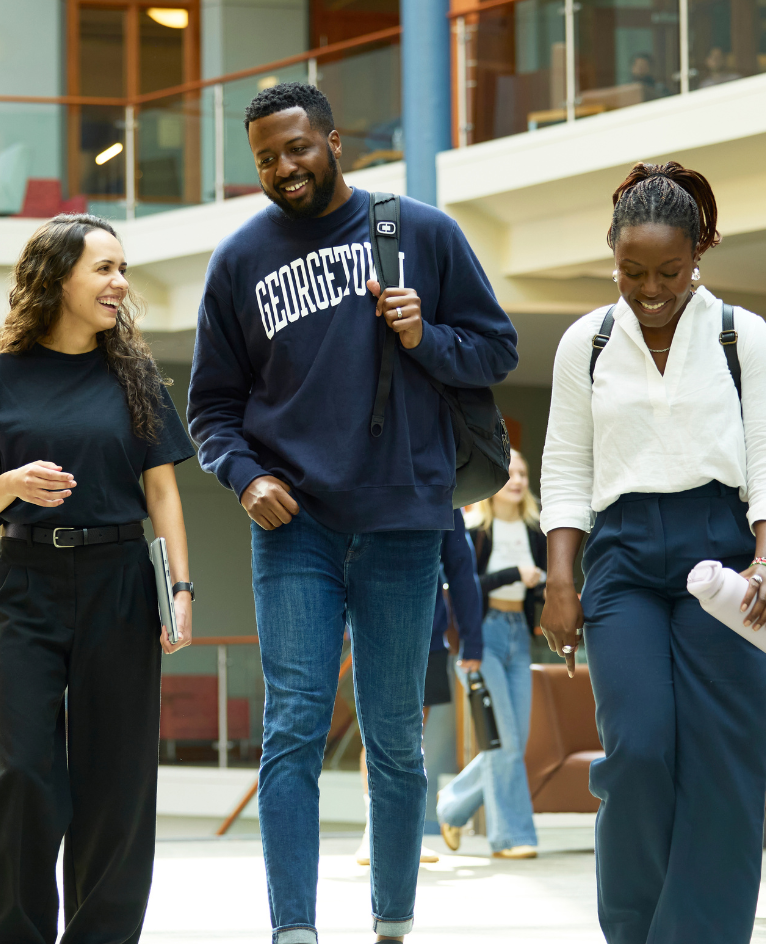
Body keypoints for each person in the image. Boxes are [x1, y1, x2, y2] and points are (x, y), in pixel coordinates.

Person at [188, 82, 517, 944]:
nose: (282, 168)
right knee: (292, 728)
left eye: (296, 148)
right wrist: (243, 475)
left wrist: (425, 336)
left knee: (395, 738)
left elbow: (498, 348)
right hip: (294, 523)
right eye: (264, 156)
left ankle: (393, 925)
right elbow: (211, 408)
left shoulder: (421, 234)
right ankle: (293, 931)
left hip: (405, 521)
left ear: (334, 139)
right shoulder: (239, 261)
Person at [539, 161, 766, 944]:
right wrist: (560, 578)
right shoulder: (584, 343)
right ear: (612, 257)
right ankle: (633, 929)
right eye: (631, 272)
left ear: (700, 256)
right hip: (620, 558)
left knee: (723, 760)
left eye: (669, 271)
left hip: (722, 550)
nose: (650, 289)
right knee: (640, 746)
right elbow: (564, 465)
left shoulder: (739, 335)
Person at [0, 213, 196, 944]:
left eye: (123, 268)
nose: (120, 282)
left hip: (120, 577)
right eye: (105, 268)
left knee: (115, 779)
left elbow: (163, 493)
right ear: (58, 278)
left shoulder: (135, 375)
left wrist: (179, 589)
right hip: (25, 580)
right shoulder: (1, 374)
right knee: (22, 769)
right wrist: (14, 481)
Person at [437, 449, 545, 860]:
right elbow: (464, 588)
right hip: (484, 636)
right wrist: (513, 575)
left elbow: (535, 588)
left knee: (511, 743)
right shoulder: (475, 528)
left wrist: (541, 587)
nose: (517, 480)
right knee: (504, 744)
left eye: (523, 473)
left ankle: (453, 806)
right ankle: (513, 837)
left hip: (520, 634)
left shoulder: (535, 530)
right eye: (510, 473)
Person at [358, 512, 481, 867]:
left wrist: (472, 642)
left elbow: (462, 567)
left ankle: (402, 835)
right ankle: (374, 831)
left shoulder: (442, 490)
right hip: (374, 627)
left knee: (411, 737)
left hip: (427, 634)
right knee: (377, 733)